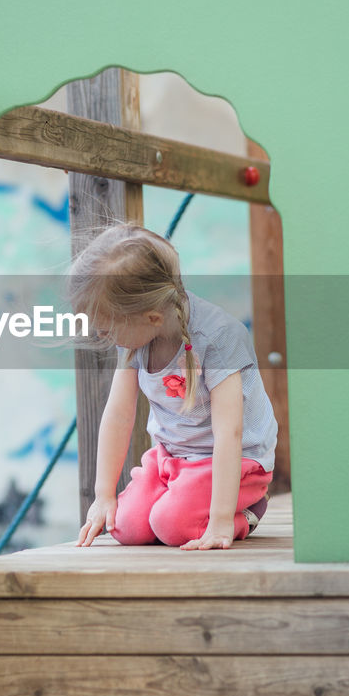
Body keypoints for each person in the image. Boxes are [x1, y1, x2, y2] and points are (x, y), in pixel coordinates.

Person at [69, 224, 277, 550]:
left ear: (151, 318)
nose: (102, 337)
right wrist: (103, 496)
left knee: (170, 525)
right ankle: (180, 498)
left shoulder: (217, 338)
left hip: (237, 463)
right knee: (124, 525)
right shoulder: (137, 338)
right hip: (174, 457)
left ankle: (246, 513)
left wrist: (221, 520)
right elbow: (119, 416)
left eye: (108, 330)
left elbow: (230, 433)